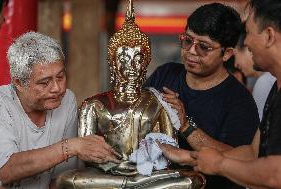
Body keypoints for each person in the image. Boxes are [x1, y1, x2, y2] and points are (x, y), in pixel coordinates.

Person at [55, 1, 205, 188]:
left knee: (192, 180)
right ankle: (133, 183)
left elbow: (170, 151)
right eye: (124, 60)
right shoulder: (93, 105)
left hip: (147, 173)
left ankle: (135, 182)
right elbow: (87, 155)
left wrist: (145, 165)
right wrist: (114, 166)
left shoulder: (157, 101)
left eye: (138, 60)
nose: (131, 67)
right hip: (108, 175)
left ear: (146, 63)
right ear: (113, 64)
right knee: (66, 179)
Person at [144, 3, 259, 189]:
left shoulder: (239, 100)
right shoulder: (165, 74)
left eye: (203, 47)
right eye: (188, 40)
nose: (191, 51)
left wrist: (185, 125)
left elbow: (238, 159)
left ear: (227, 53)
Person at [0, 32, 120, 189]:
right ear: (19, 83)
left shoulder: (66, 100)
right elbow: (6, 170)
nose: (56, 88)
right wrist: (71, 147)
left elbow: (61, 179)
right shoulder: (0, 103)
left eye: (60, 77)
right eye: (44, 82)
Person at [190, 0, 281, 188]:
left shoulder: (244, 95)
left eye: (247, 32)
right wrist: (189, 157)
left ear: (269, 36)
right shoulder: (275, 87)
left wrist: (219, 165)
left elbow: (276, 174)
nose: (245, 42)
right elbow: (253, 152)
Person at [233, 23, 262, 92]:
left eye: (235, 55)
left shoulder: (265, 82)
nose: (235, 64)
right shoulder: (264, 80)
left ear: (248, 48)